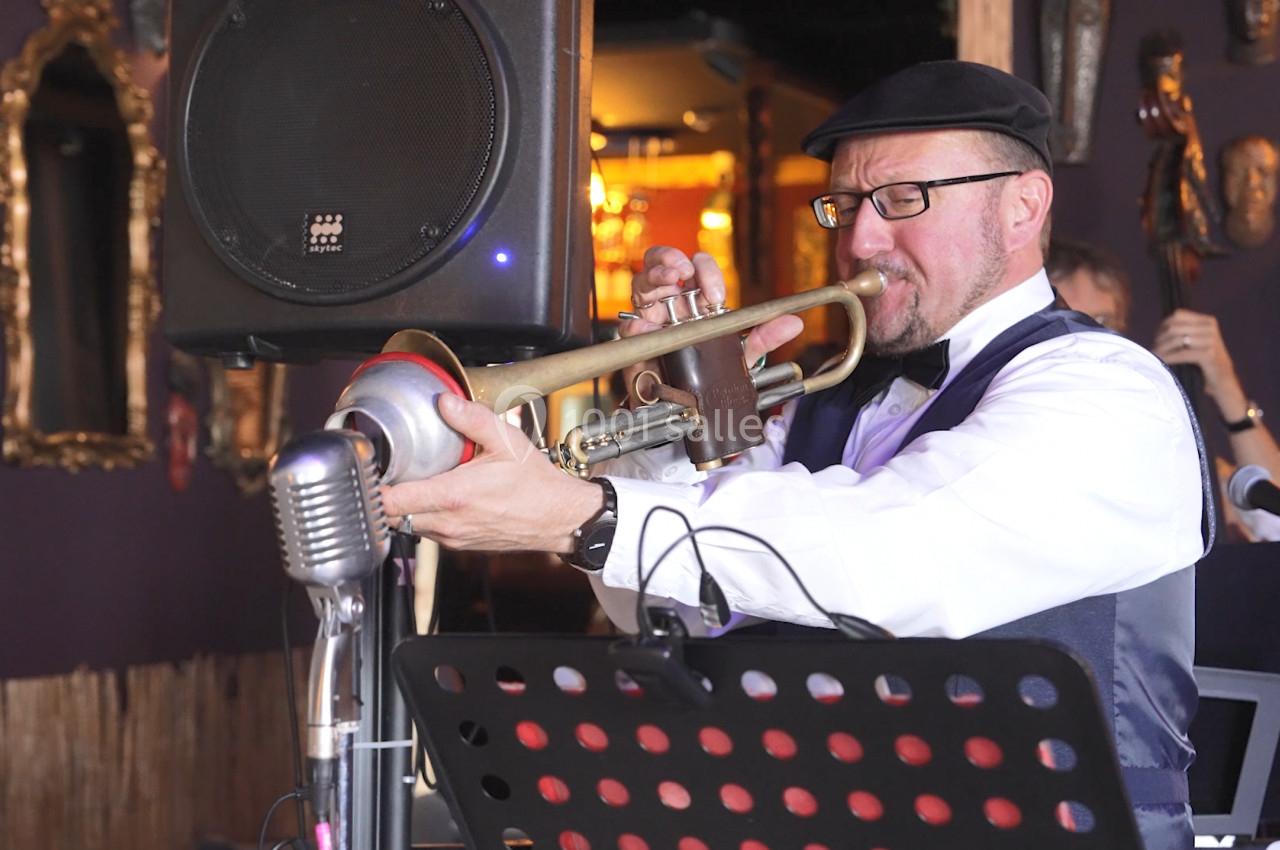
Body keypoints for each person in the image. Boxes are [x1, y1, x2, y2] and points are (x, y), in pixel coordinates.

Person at [383, 61, 1208, 848]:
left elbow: (889, 555)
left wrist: (581, 515)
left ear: (1023, 207)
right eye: (844, 206)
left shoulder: (1108, 391)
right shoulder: (825, 396)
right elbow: (676, 609)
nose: (861, 240)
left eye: (901, 198)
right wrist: (678, 424)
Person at [1046, 235, 1280, 540]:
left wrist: (1226, 388)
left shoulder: (1169, 451)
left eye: (1103, 322)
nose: (1092, 339)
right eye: (1071, 322)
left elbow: (1273, 523)